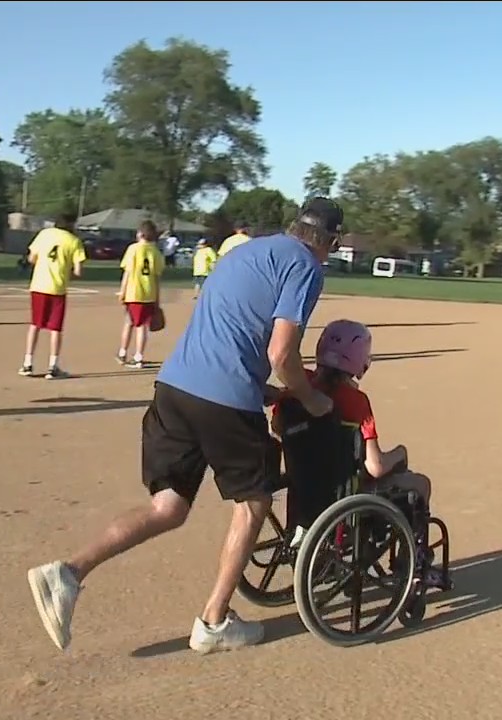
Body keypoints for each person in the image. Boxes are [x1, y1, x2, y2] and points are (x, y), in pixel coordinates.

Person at [26, 197, 343, 655]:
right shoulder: (306, 267)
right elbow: (281, 353)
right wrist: (311, 398)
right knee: (253, 502)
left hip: (175, 387)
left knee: (167, 507)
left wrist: (261, 387)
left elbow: (230, 330)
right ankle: (214, 621)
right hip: (225, 399)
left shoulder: (244, 252)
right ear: (329, 242)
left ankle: (68, 573)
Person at [269, 320, 433, 556]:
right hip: (342, 492)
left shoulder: (298, 387)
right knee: (419, 483)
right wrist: (400, 453)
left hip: (302, 481)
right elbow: (375, 467)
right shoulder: (356, 401)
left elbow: (277, 426)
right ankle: (414, 559)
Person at [20, 213, 86, 379]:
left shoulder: (44, 234)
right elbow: (78, 271)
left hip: (38, 285)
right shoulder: (74, 241)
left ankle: (28, 364)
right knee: (55, 328)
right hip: (57, 288)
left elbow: (31, 258)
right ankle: (53, 366)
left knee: (35, 325)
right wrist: (65, 272)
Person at [116, 221, 165, 368]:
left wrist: (122, 291)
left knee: (131, 324)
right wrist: (157, 298)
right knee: (140, 325)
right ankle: (133, 355)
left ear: (140, 234)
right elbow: (157, 278)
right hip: (149, 293)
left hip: (133, 292)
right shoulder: (155, 252)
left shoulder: (133, 249)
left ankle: (129, 355)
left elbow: (128, 272)